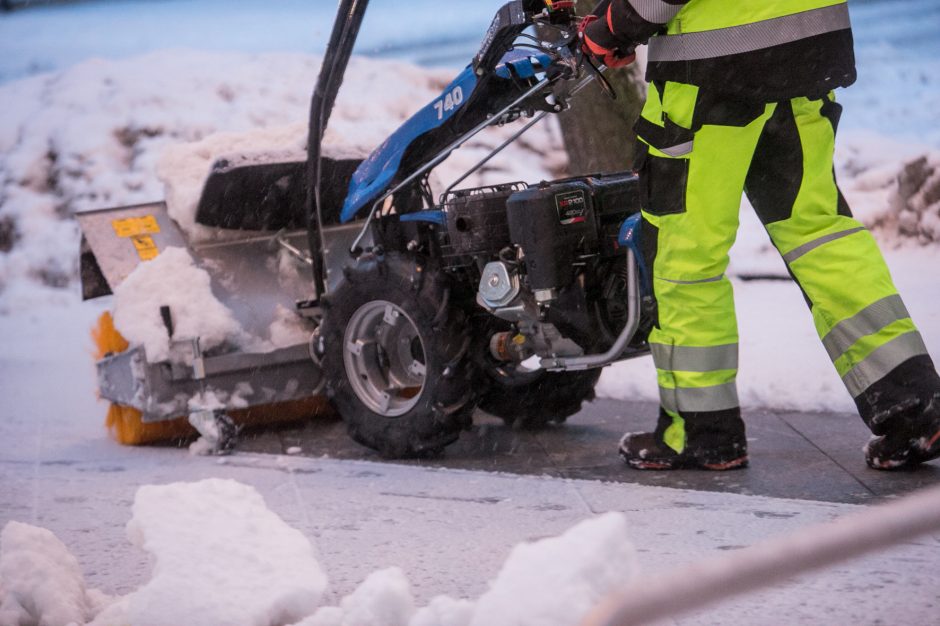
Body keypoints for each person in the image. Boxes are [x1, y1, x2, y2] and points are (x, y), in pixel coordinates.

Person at [579, 0, 940, 471]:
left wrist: (613, 24)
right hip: (808, 52)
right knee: (820, 234)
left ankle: (702, 431)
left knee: (685, 253)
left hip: (713, 71)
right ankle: (915, 406)